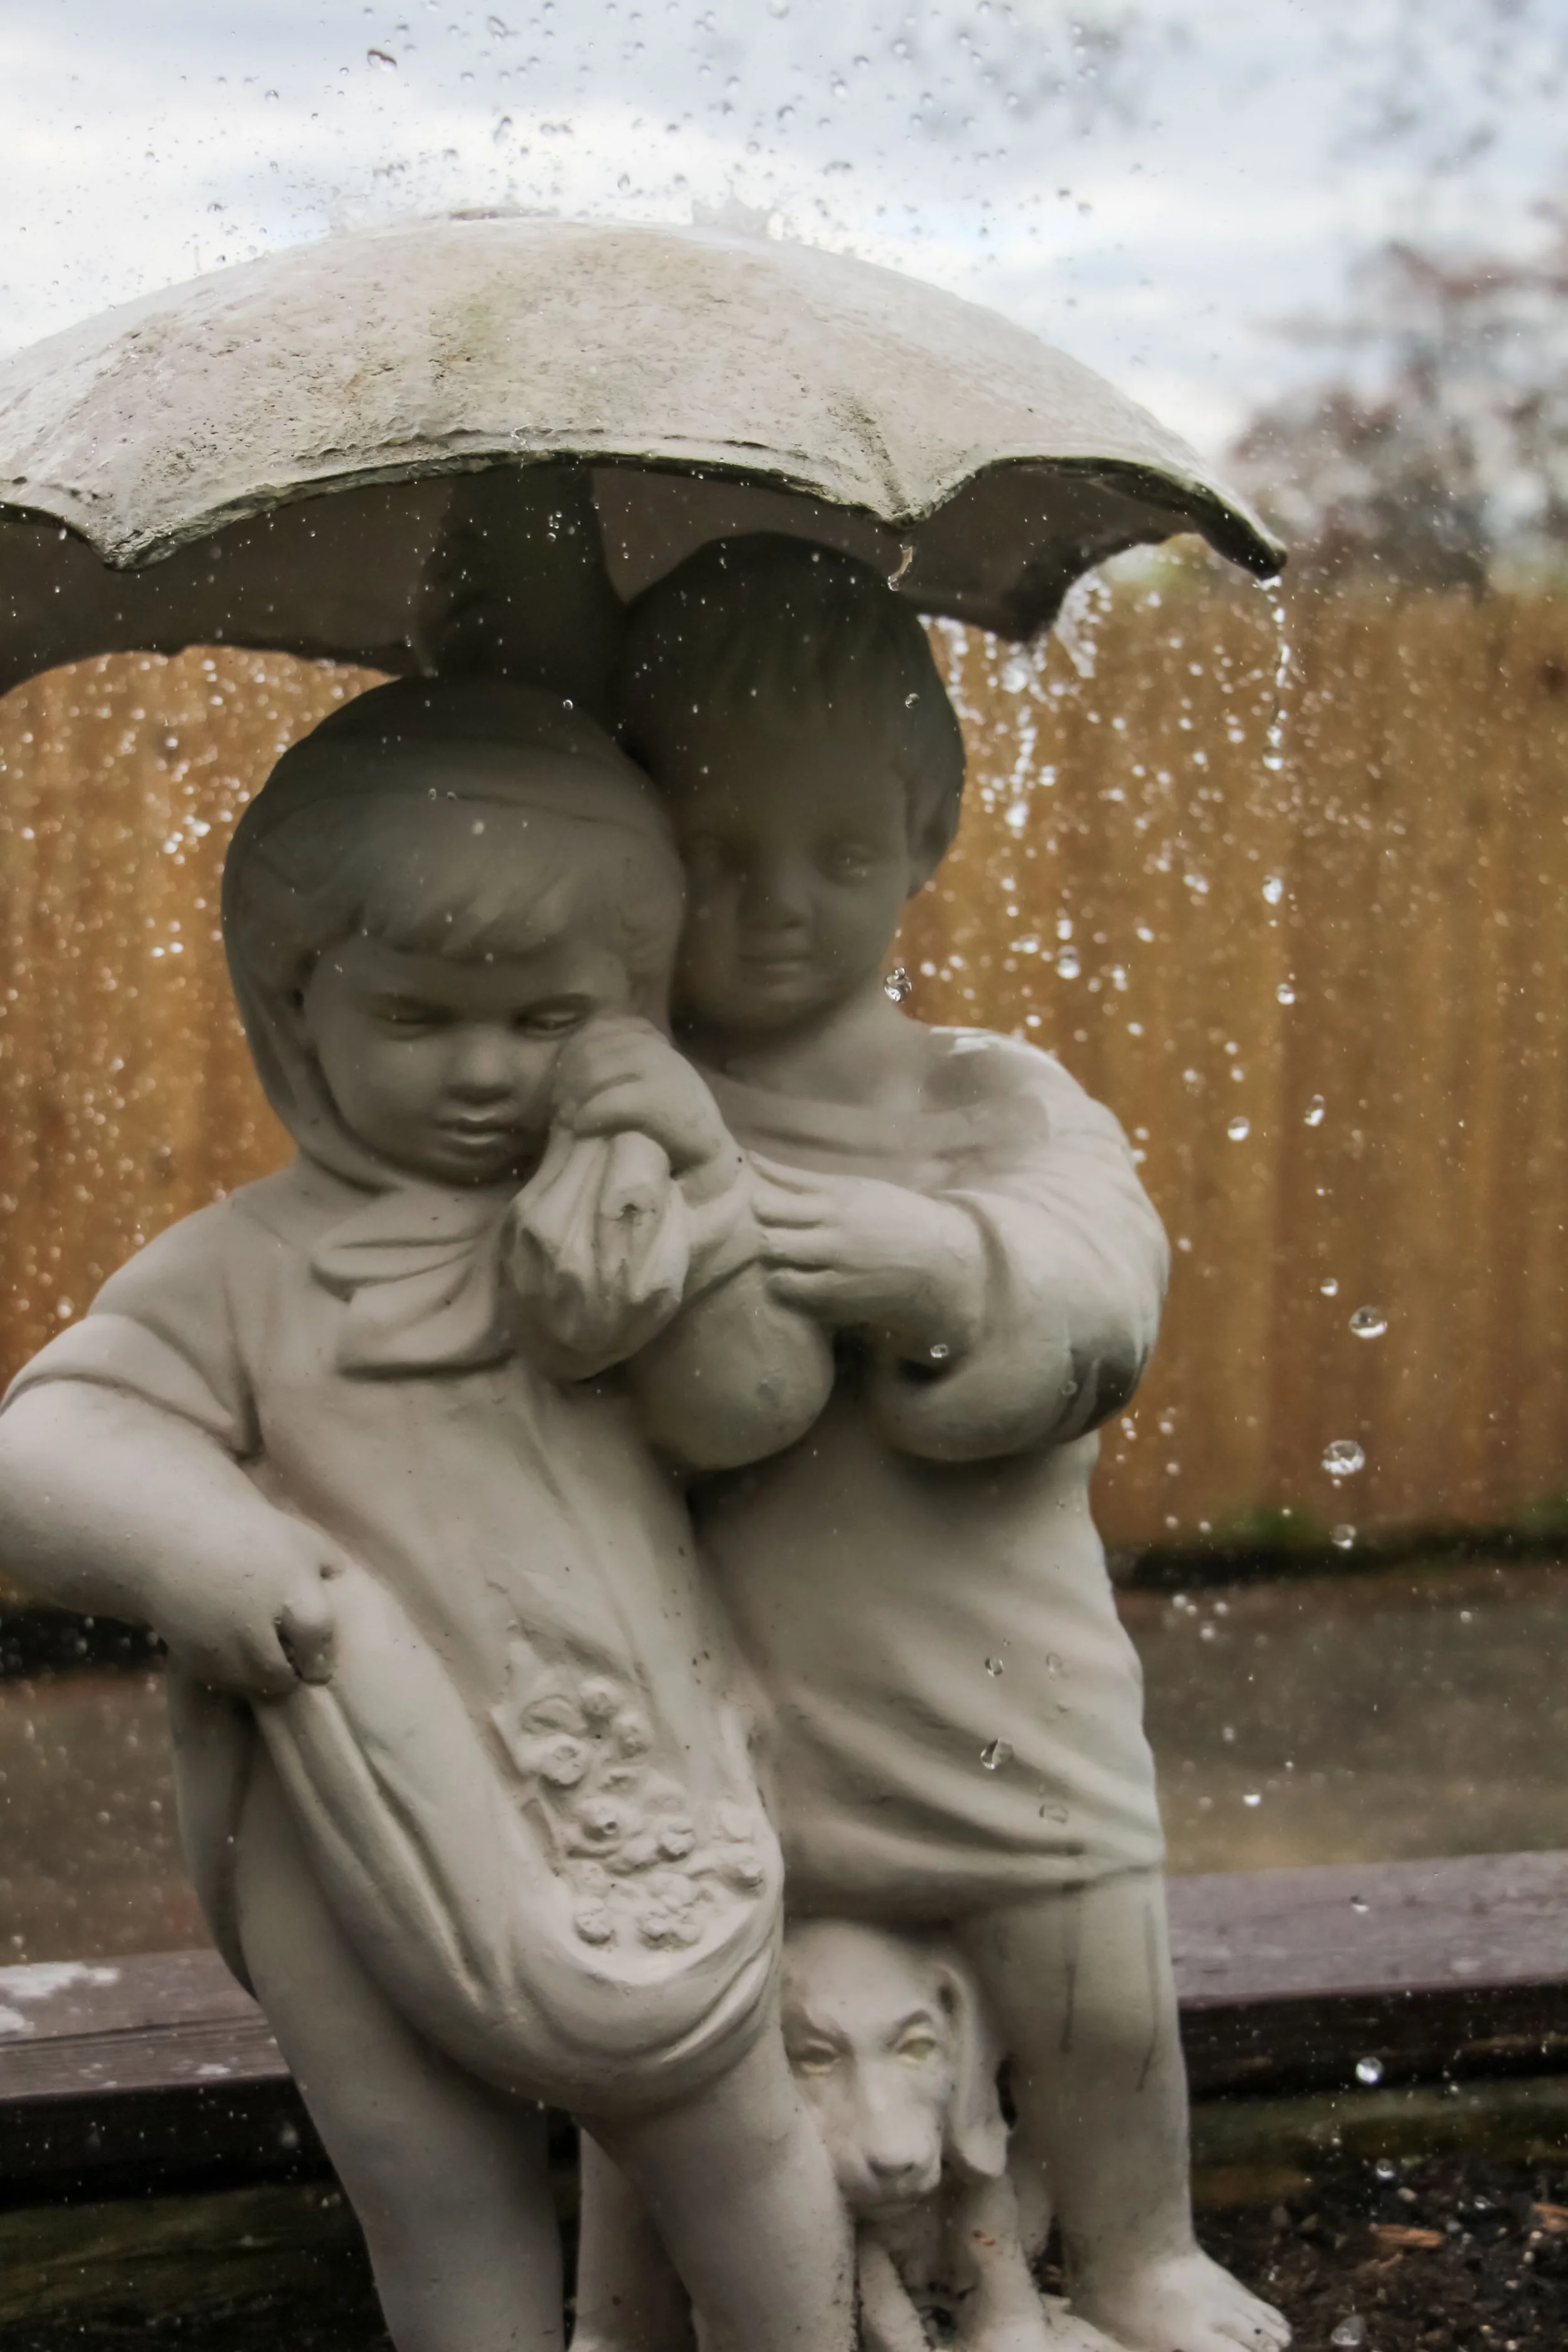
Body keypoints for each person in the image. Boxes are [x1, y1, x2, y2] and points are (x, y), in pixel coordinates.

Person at [0, 678, 851, 2352]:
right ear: (295, 1008)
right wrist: (201, 1547)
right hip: (344, 1809)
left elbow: (752, 1407)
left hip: (637, 1781)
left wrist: (677, 1195)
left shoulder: (606, 1230)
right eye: (417, 1017)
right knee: (427, 2169)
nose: (480, 1070)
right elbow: (46, 1442)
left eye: (544, 1021)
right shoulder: (247, 1268)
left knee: (736, 2139)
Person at [607, 536, 1290, 2352]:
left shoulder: (990, 1096)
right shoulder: (616, 1103)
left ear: (923, 840)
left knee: (1086, 1970)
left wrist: (946, 1263)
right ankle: (651, 2294)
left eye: (837, 852)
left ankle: (1136, 2244)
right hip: (729, 1674)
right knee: (669, 1989)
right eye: (712, 852)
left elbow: (1100, 1298)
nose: (776, 905)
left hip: (994, 1671)